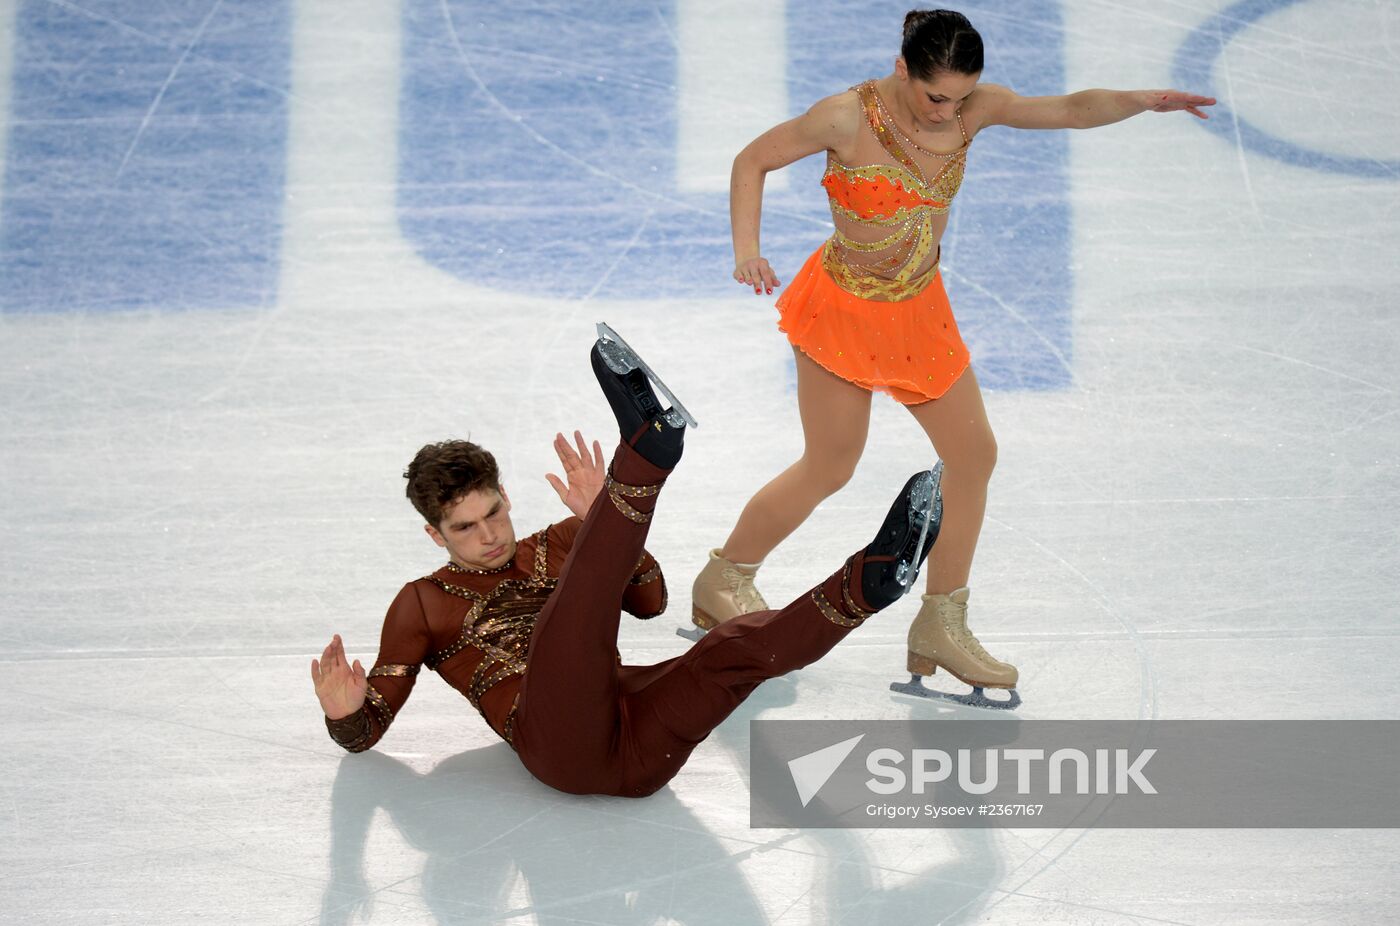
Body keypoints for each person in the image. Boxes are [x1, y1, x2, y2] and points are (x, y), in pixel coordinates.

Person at [691, 8, 1214, 706]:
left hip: (918, 313)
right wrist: (747, 250)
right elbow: (751, 159)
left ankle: (941, 620)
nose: (950, 111)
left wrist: (1142, 101)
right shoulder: (845, 118)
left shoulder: (974, 111)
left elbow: (1067, 109)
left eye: (963, 96)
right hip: (842, 310)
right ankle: (724, 577)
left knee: (974, 458)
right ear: (903, 68)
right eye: (938, 96)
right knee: (832, 464)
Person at [312, 330, 942, 797]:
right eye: (465, 528)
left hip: (639, 754)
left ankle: (875, 579)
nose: (490, 536)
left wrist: (598, 529)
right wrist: (343, 713)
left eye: (495, 512)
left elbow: (650, 602)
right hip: (556, 744)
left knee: (732, 649)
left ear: (506, 497)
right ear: (434, 533)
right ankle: (648, 448)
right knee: (570, 617)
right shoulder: (422, 601)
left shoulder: (556, 543)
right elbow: (367, 730)